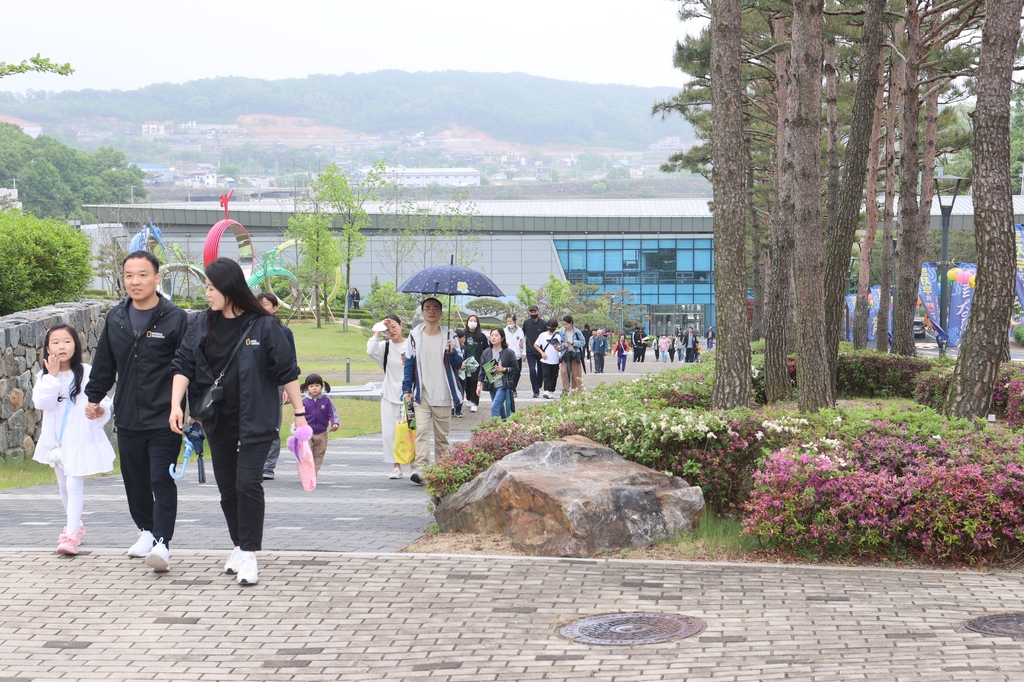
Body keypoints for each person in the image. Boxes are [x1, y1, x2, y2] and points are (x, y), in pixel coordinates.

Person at [170, 257, 304, 585]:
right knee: (228, 490)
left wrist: (300, 414)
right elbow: (183, 364)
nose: (207, 293)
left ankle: (250, 553)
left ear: (230, 289)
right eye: (206, 287)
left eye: (212, 288)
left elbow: (287, 371)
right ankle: (239, 545)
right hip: (217, 419)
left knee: (248, 484)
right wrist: (176, 405)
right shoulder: (199, 324)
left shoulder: (264, 325)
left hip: (257, 417)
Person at [85, 250, 189, 572]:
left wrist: (189, 409)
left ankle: (162, 543)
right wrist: (94, 396)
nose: (135, 281)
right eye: (129, 275)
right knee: (135, 480)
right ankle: (145, 530)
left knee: (161, 478)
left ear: (157, 278)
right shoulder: (116, 317)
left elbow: (187, 365)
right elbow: (105, 361)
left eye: (143, 275)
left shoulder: (175, 318)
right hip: (128, 414)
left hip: (165, 416)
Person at [33, 324, 115, 555]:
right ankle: (76, 526)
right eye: (56, 342)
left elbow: (102, 399)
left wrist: (98, 410)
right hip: (57, 440)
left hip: (80, 437)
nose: (61, 346)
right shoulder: (44, 375)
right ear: (48, 347)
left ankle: (70, 537)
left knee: (73, 483)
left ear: (76, 345)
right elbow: (42, 403)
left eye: (67, 341)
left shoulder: (88, 371)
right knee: (62, 485)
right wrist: (52, 376)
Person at [402, 297, 464, 486]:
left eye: (436, 308)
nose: (431, 311)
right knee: (420, 431)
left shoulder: (450, 336)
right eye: (427, 308)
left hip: (444, 394)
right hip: (422, 393)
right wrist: (407, 389)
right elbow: (410, 363)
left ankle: (442, 468)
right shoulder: (414, 336)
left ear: (441, 313)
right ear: (422, 312)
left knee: (441, 436)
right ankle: (420, 469)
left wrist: (452, 352)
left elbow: (459, 364)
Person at [256, 292, 297, 481]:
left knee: (273, 425)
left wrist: (287, 389)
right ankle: (254, 463)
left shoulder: (285, 332)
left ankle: (269, 465)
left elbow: (290, 362)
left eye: (265, 304)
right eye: (259, 304)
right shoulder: (250, 329)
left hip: (275, 384)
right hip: (253, 384)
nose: (262, 308)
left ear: (274, 307)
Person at [366, 314, 410, 479]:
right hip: (389, 393)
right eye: (388, 329)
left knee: (411, 431)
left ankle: (414, 465)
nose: (392, 331)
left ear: (401, 326)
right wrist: (378, 330)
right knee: (390, 433)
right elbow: (370, 350)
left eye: (394, 327)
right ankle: (396, 467)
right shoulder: (385, 346)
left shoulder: (412, 345)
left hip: (409, 395)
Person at [300, 374, 339, 473]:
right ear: (307, 387)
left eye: (317, 386)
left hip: (321, 433)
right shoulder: (304, 402)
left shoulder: (326, 400)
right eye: (311, 386)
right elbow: (299, 415)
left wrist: (335, 423)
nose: (314, 388)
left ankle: (314, 471)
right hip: (307, 432)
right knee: (306, 452)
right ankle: (307, 470)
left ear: (322, 386)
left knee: (319, 453)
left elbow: (332, 412)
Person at [478, 328, 517, 419]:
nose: (493, 337)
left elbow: (515, 368)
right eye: (492, 335)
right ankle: (505, 426)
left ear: (502, 338)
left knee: (494, 407)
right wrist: (478, 385)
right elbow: (482, 370)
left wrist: (504, 369)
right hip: (492, 384)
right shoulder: (486, 352)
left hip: (503, 385)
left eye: (496, 335)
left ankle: (495, 428)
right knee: (500, 408)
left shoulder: (509, 352)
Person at [462, 314, 487, 413]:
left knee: (474, 382)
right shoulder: (463, 334)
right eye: (470, 320)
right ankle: (469, 398)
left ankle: (475, 402)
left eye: (474, 321)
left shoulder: (481, 336)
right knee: (466, 382)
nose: (472, 322)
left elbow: (486, 349)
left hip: (476, 364)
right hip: (464, 363)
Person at [533, 319, 562, 399]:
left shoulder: (558, 337)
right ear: (547, 326)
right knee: (546, 375)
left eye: (554, 327)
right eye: (550, 327)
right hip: (545, 360)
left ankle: (552, 391)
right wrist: (542, 353)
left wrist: (558, 349)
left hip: (555, 360)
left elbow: (560, 348)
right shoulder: (543, 335)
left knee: (554, 376)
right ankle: (546, 390)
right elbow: (536, 345)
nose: (552, 329)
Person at [522, 305, 546, 398]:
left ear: (538, 312)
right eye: (531, 312)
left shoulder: (543, 323)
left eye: (534, 312)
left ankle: (539, 384)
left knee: (541, 371)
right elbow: (522, 335)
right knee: (532, 370)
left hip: (540, 351)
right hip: (530, 351)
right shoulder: (526, 322)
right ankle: (535, 390)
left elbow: (546, 337)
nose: (533, 313)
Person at [559, 315, 586, 394]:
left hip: (575, 354)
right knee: (564, 371)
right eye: (563, 324)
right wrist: (564, 345)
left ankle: (577, 391)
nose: (565, 326)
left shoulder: (577, 332)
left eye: (566, 324)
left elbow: (582, 342)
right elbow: (559, 343)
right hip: (565, 354)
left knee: (576, 374)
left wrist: (574, 342)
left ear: (571, 323)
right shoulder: (562, 332)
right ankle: (565, 389)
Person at [504, 313, 526, 395]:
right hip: (508, 356)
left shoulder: (520, 331)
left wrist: (524, 353)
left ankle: (514, 387)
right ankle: (511, 389)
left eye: (511, 321)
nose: (509, 323)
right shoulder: (504, 331)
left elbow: (523, 342)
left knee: (517, 373)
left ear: (515, 321)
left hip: (517, 356)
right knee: (509, 373)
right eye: (508, 321)